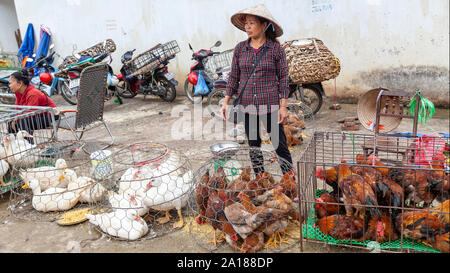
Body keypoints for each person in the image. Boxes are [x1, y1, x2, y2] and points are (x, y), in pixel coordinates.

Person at [221, 4, 294, 175]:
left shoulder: (275, 49)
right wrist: (225, 102)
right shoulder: (240, 49)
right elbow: (234, 77)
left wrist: (283, 107)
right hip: (248, 106)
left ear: (264, 25)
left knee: (279, 145)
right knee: (254, 146)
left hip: (270, 105)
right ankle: (261, 180)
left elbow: (284, 79)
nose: (247, 27)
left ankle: (290, 183)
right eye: (246, 23)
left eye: (252, 23)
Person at [8, 69, 58, 141]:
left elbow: (30, 113)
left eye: (11, 83)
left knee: (23, 121)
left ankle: (28, 144)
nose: (9, 85)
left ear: (20, 84)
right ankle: (13, 143)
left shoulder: (33, 93)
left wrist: (17, 119)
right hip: (37, 115)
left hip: (50, 116)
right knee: (11, 120)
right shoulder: (18, 92)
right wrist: (15, 119)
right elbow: (17, 108)